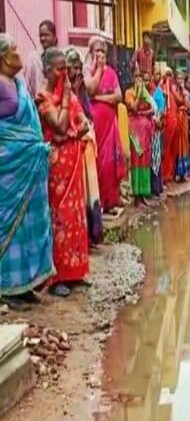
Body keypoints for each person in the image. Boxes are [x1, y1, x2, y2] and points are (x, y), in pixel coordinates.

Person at [0, 33, 54, 307]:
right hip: (10, 168)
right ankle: (8, 287)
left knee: (31, 225)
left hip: (30, 167)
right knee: (12, 225)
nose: (20, 53)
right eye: (15, 48)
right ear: (4, 57)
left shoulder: (18, 83)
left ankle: (26, 284)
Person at [37, 48, 90, 298]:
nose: (64, 74)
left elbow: (83, 123)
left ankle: (75, 272)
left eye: (65, 69)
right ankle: (58, 276)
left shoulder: (68, 97)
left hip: (74, 162)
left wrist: (67, 133)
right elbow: (58, 124)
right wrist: (67, 99)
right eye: (59, 69)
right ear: (48, 70)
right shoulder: (42, 97)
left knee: (76, 216)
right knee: (59, 219)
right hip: (56, 168)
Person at [66, 47, 102, 244]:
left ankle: (92, 234)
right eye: (73, 68)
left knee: (90, 192)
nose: (77, 73)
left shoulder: (81, 91)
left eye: (80, 68)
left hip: (86, 144)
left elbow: (87, 116)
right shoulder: (63, 92)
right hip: (71, 149)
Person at [85, 36, 125, 215]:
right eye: (96, 50)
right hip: (95, 126)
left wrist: (100, 98)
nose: (100, 54)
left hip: (109, 125)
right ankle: (97, 202)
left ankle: (111, 200)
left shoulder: (112, 73)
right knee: (96, 162)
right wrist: (98, 69)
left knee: (110, 162)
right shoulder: (87, 71)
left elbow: (118, 96)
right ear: (91, 53)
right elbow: (90, 90)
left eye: (102, 51)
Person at [125, 68, 156, 205]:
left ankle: (143, 194)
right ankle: (136, 196)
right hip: (135, 131)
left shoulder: (146, 92)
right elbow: (135, 108)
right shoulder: (129, 93)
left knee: (145, 162)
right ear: (132, 78)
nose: (138, 79)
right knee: (136, 162)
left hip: (145, 132)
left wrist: (145, 113)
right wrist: (139, 95)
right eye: (136, 76)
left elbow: (152, 108)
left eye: (140, 77)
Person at [22, 20, 58, 99]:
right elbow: (27, 86)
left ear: (54, 37)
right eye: (41, 35)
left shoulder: (60, 58)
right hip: (37, 103)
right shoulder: (32, 58)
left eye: (46, 35)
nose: (43, 38)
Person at [150, 71, 166, 196]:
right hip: (148, 129)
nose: (157, 77)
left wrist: (158, 121)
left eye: (158, 75)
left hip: (156, 128)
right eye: (156, 74)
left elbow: (161, 110)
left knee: (157, 157)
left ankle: (157, 187)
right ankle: (154, 187)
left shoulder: (159, 93)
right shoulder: (147, 92)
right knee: (151, 158)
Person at [174, 72, 190, 181]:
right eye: (178, 78)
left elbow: (188, 106)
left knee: (184, 144)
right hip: (176, 119)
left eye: (181, 78)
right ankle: (176, 172)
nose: (180, 80)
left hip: (184, 120)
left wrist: (184, 92)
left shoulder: (185, 93)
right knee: (177, 145)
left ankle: (184, 172)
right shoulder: (174, 91)